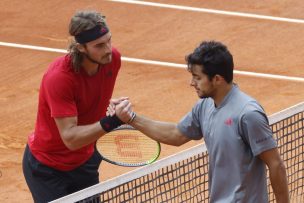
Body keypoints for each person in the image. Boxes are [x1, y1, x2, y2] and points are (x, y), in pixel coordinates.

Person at [109, 41, 290, 203]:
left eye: (197, 77)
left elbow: (275, 164)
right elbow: (176, 134)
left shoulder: (248, 114)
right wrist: (131, 118)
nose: (192, 83)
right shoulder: (204, 106)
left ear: (217, 79)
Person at [22, 10, 127, 202]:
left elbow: (90, 94)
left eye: (109, 40)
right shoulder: (60, 78)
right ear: (81, 48)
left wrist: (106, 106)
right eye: (99, 45)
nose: (108, 50)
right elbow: (70, 139)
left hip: (85, 160)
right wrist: (112, 121)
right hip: (48, 168)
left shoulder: (112, 60)